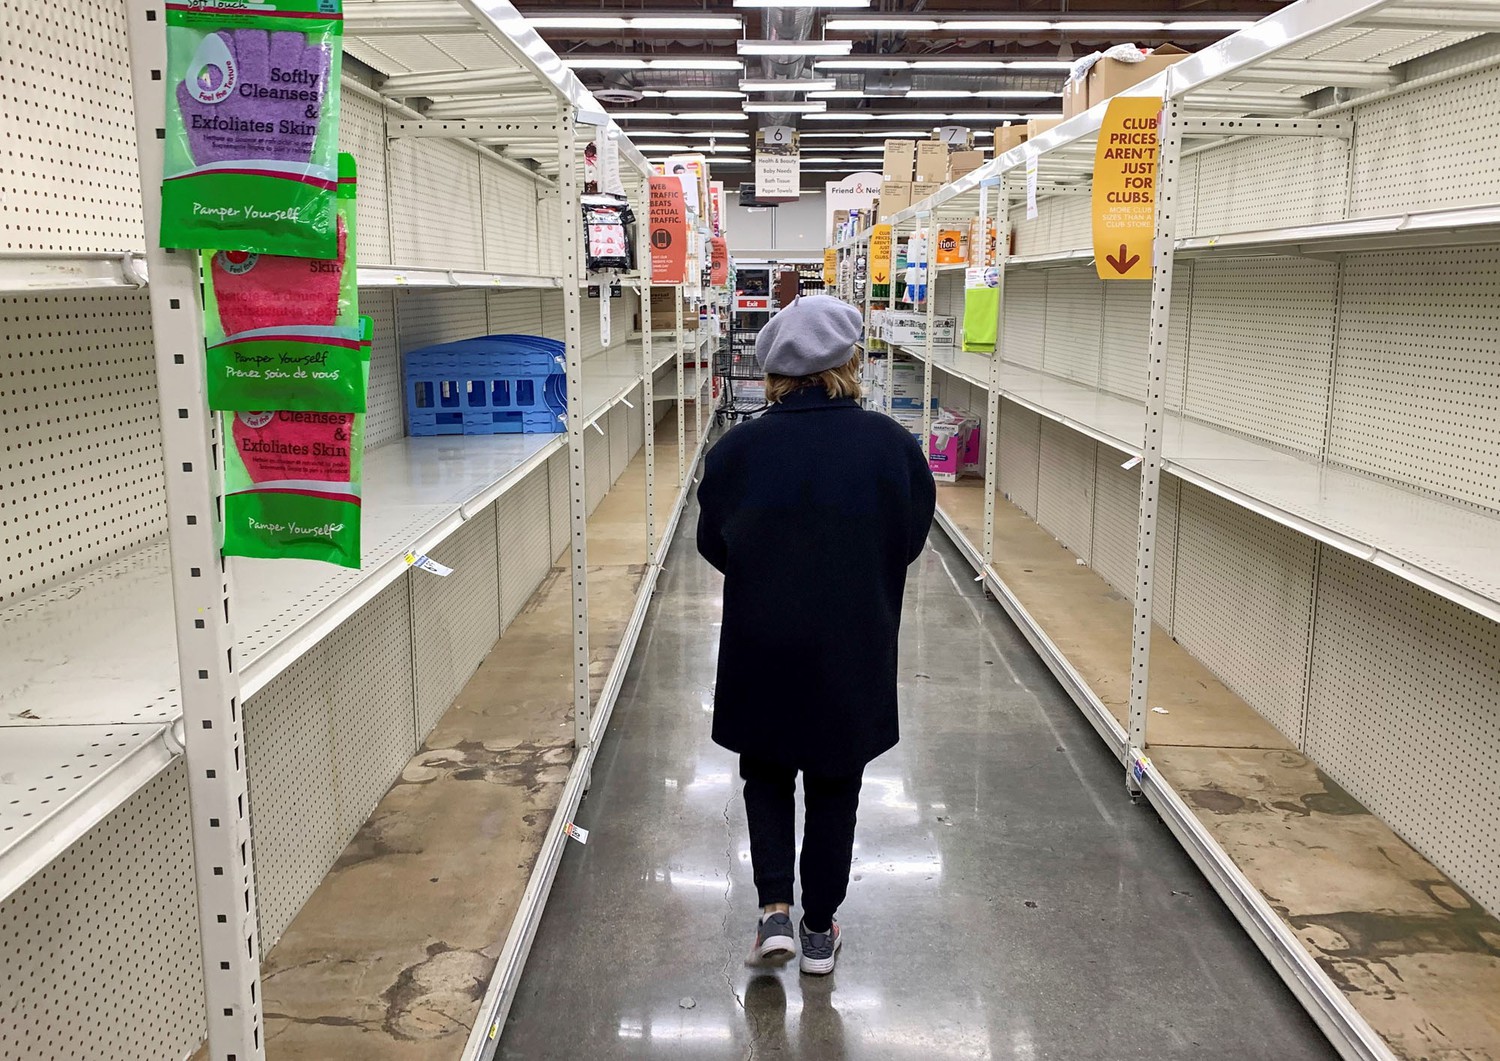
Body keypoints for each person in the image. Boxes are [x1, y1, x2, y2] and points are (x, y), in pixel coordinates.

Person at [696, 295, 936, 976]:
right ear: (850, 362)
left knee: (765, 772)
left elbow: (714, 541)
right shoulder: (893, 447)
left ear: (773, 372)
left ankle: (773, 908)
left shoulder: (737, 451)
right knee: (837, 783)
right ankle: (818, 928)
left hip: (761, 641)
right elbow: (909, 536)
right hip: (852, 643)